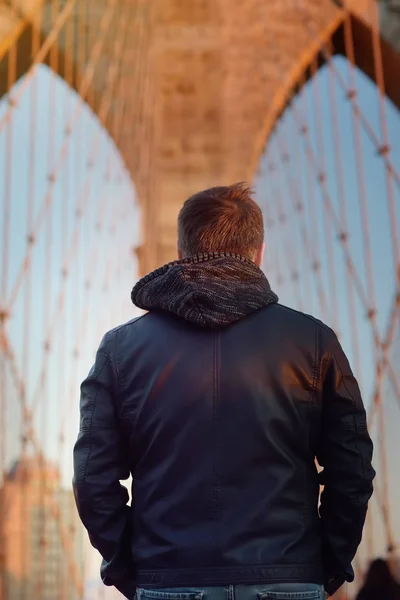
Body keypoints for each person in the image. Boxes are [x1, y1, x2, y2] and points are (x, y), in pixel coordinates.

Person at [73, 183, 375, 600]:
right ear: (259, 252)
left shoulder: (119, 350)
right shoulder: (314, 342)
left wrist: (134, 568)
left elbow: (92, 478)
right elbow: (353, 469)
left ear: (180, 253)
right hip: (287, 576)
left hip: (168, 579)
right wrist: (324, 564)